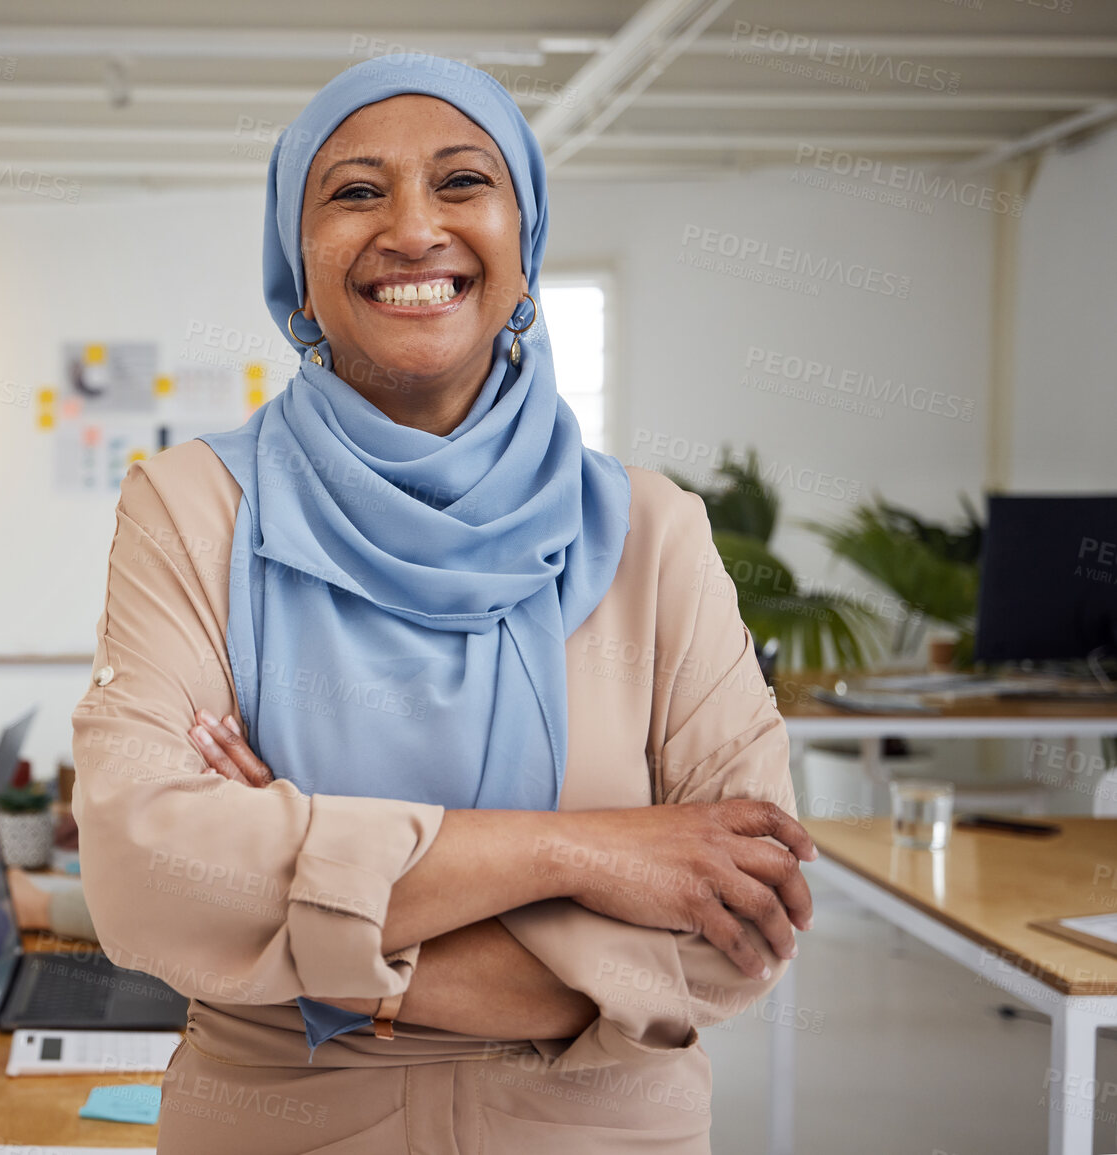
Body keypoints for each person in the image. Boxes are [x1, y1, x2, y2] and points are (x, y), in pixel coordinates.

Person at [71, 54, 814, 1153]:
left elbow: (739, 926)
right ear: (297, 258)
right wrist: (590, 855)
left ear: (526, 238)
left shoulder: (657, 533)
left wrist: (313, 924)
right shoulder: (195, 508)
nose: (414, 229)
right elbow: (146, 875)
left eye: (464, 183)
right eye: (357, 192)